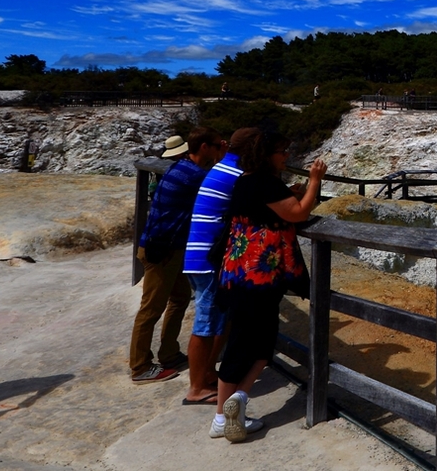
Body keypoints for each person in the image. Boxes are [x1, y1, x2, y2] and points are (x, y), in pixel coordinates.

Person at [212, 133, 325, 442]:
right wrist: (315, 180)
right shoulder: (265, 182)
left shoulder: (245, 181)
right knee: (251, 344)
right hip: (259, 277)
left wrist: (288, 193)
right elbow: (298, 213)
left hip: (236, 272)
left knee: (256, 342)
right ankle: (226, 411)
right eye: (281, 149)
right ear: (266, 154)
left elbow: (271, 207)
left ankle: (233, 405)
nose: (285, 154)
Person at [129, 129, 223, 385]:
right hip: (163, 251)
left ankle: (169, 354)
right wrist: (223, 158)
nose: (218, 150)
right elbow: (223, 187)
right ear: (204, 148)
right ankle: (140, 367)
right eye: (216, 146)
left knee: (180, 298)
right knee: (151, 309)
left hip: (163, 248)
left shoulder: (178, 168)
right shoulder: (193, 174)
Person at [181, 128, 253, 406]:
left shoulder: (223, 168)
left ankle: (207, 374)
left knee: (216, 319)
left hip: (200, 256)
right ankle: (196, 389)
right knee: (205, 324)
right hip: (208, 260)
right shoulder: (237, 175)